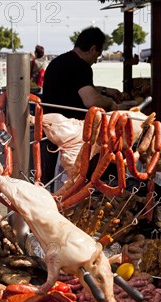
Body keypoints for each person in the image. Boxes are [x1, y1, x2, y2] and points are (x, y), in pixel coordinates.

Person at [41, 26, 123, 186]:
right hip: (69, 135)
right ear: (93, 49)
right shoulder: (81, 67)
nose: (95, 60)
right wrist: (111, 104)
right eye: (98, 55)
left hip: (50, 131)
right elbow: (90, 100)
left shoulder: (59, 61)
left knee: (52, 181)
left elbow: (75, 88)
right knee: (69, 183)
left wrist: (106, 90)